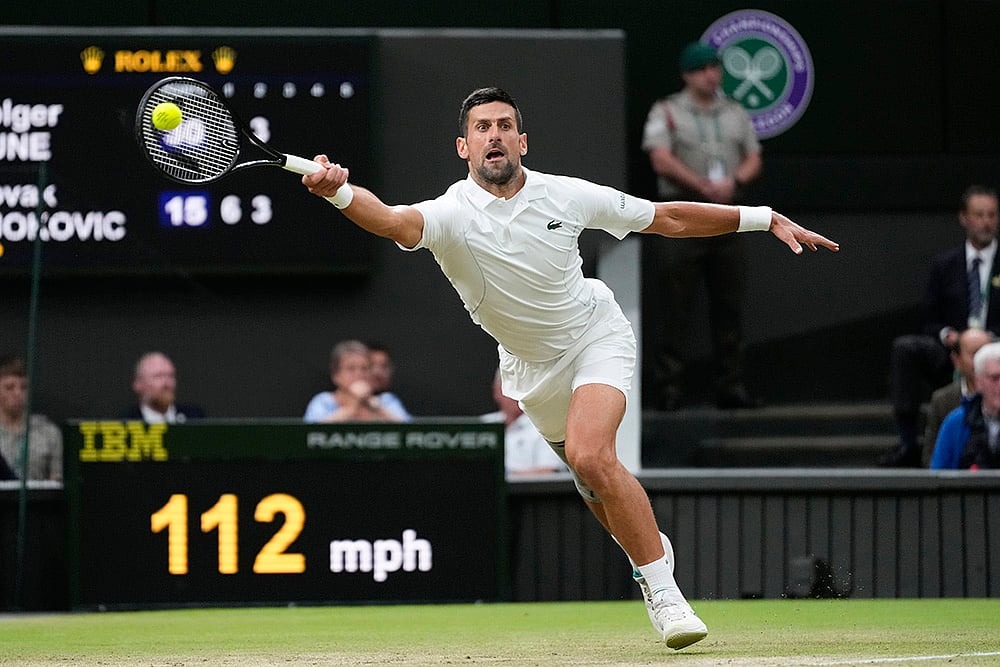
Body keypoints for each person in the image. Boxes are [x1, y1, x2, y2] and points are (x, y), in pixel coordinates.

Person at [300, 86, 837, 648]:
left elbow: (668, 219)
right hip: (531, 372)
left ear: (522, 141)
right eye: (482, 128)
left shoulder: (568, 196)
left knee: (589, 453)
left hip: (594, 337)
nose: (495, 136)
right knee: (591, 483)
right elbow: (388, 220)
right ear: (464, 147)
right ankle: (649, 548)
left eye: (505, 125)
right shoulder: (448, 215)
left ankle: (664, 594)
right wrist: (339, 193)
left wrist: (762, 217)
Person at [641, 41, 764, 410]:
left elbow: (754, 156)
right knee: (676, 305)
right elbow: (660, 159)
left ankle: (731, 385)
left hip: (728, 216)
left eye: (716, 67)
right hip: (683, 216)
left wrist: (734, 183)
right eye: (703, 68)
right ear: (687, 74)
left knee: (730, 304)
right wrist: (702, 187)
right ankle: (668, 388)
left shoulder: (735, 112)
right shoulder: (667, 111)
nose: (712, 74)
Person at [882, 185, 1000, 467]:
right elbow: (929, 320)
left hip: (996, 352)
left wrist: (988, 340)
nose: (986, 221)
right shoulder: (944, 265)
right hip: (952, 351)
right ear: (964, 218)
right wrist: (951, 337)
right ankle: (907, 442)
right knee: (906, 349)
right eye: (979, 214)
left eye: (992, 215)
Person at [921, 327, 994, 466]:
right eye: (975, 354)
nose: (981, 361)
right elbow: (931, 458)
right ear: (956, 360)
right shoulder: (943, 402)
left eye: (986, 354)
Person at [482, 370, 567, 477]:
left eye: (520, 388)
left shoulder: (544, 428)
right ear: (496, 391)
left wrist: (501, 475)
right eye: (509, 387)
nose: (514, 394)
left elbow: (549, 472)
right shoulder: (483, 425)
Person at [304, 340, 408, 423]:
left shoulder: (386, 401)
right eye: (350, 369)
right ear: (336, 375)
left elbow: (412, 433)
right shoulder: (324, 401)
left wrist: (376, 407)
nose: (359, 374)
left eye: (364, 368)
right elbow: (310, 435)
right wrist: (352, 407)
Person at [0, 355, 62, 482]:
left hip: (37, 500)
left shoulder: (48, 432)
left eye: (23, 387)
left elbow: (58, 481)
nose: (18, 394)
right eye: (9, 388)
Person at [121, 351, 205, 423]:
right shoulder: (125, 424)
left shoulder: (195, 418)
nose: (166, 383)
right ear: (138, 384)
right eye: (158, 376)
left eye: (170, 376)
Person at [366, 342, 412, 420]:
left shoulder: (388, 399)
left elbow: (408, 429)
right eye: (371, 366)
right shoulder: (339, 401)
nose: (377, 373)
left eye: (384, 366)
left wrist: (374, 405)